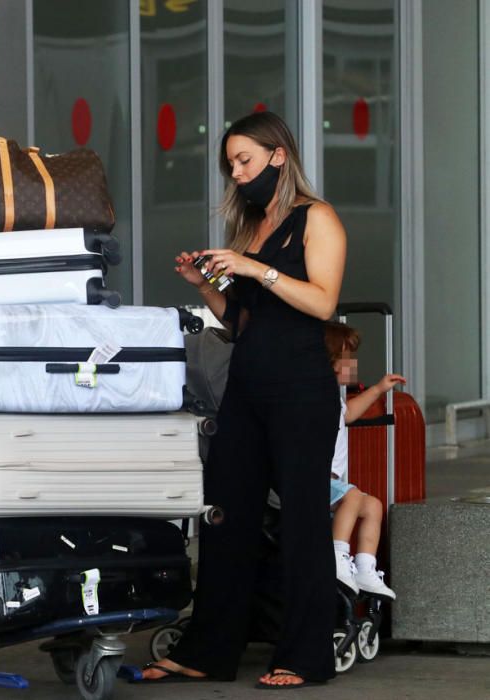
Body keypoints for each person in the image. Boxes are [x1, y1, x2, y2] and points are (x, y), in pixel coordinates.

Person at [141, 111, 347, 689]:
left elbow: (324, 303)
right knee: (226, 517)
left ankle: (304, 656)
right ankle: (208, 651)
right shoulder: (254, 225)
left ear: (277, 156)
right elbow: (241, 323)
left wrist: (254, 267)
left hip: (300, 392)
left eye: (244, 161)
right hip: (247, 387)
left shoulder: (317, 219)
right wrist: (205, 285)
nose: (236, 174)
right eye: (230, 165)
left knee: (304, 521)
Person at [323, 322, 403, 600]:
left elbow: (349, 414)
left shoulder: (333, 395)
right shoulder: (317, 394)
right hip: (317, 480)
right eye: (348, 359)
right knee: (354, 497)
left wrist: (380, 388)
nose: (353, 365)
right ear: (331, 362)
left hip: (333, 484)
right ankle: (337, 556)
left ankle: (365, 567)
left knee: (373, 505)